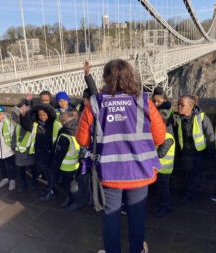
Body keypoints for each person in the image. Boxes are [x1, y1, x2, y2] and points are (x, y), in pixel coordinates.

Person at [76, 59, 166, 253]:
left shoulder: (95, 103)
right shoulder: (144, 101)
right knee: (137, 215)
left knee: (111, 215)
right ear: (130, 76)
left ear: (106, 78)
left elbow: (82, 140)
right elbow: (160, 137)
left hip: (109, 172)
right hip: (140, 171)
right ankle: (137, 250)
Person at [175, 95, 215, 204]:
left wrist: (211, 153)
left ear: (190, 106)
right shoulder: (179, 118)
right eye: (178, 104)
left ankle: (188, 196)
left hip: (199, 153)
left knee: (195, 175)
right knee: (188, 174)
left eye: (182, 105)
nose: (179, 107)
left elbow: (210, 135)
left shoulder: (201, 117)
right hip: (186, 153)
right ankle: (189, 194)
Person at [19, 103, 61, 200]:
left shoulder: (53, 124)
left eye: (44, 115)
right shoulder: (35, 124)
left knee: (50, 173)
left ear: (48, 115)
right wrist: (23, 115)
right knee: (45, 172)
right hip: (40, 152)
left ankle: (52, 190)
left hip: (50, 153)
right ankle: (50, 187)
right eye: (40, 115)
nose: (42, 117)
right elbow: (25, 125)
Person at [52, 111, 80, 208]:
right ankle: (74, 200)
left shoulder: (64, 134)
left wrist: (54, 168)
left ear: (63, 122)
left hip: (66, 166)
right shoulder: (78, 128)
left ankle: (70, 200)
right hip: (76, 164)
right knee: (74, 184)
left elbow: (59, 155)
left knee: (67, 185)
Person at [152, 109, 175, 217]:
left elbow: (161, 153)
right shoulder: (160, 134)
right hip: (159, 168)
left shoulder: (168, 137)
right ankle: (162, 205)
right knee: (160, 189)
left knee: (164, 189)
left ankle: (167, 206)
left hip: (165, 169)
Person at [11, 104, 38, 192]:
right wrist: (14, 146)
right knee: (20, 170)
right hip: (20, 152)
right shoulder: (18, 126)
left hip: (30, 151)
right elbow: (14, 137)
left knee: (33, 168)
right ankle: (22, 183)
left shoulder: (33, 126)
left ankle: (34, 181)